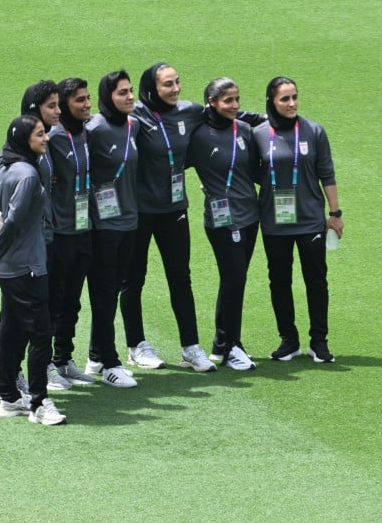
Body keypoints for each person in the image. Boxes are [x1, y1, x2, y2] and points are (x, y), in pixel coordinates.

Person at [123, 62, 215, 372]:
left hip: (174, 209)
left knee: (180, 277)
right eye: (167, 84)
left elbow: (226, 115)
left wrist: (267, 120)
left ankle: (190, 347)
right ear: (152, 88)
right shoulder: (135, 115)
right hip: (138, 212)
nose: (175, 89)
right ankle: (136, 345)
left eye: (177, 82)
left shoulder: (189, 111)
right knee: (133, 279)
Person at [0, 81, 69, 401]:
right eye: (51, 106)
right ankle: (6, 380)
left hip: (43, 241)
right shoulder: (21, 149)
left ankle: (12, 377)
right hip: (26, 247)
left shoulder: (44, 143)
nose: (58, 111)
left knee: (31, 314)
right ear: (35, 110)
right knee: (16, 318)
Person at [250, 76, 343, 363]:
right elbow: (250, 171)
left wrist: (335, 213)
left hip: (310, 220)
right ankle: (288, 341)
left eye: (294, 97)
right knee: (279, 280)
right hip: (274, 221)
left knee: (316, 280)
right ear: (272, 102)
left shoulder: (314, 131)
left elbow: (326, 173)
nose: (291, 104)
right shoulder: (258, 134)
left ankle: (319, 341)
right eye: (284, 99)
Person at [187, 78, 260, 371]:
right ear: (212, 102)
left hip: (250, 216)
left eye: (237, 99)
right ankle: (230, 346)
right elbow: (169, 163)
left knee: (237, 281)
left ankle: (224, 344)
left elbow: (254, 170)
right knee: (234, 278)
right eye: (227, 100)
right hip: (221, 220)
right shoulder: (199, 135)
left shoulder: (243, 130)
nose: (234, 105)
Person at [83, 70, 140, 388]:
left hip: (129, 222)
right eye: (122, 92)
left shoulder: (134, 125)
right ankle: (109, 362)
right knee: (104, 293)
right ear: (108, 97)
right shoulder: (95, 128)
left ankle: (95, 356)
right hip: (104, 226)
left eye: (131, 91)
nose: (129, 97)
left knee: (113, 289)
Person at [44, 77, 98, 385]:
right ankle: (46, 364)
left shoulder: (88, 134)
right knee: (54, 301)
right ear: (65, 105)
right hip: (60, 232)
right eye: (80, 100)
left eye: (88, 98)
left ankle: (63, 359)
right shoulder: (52, 137)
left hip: (84, 229)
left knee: (73, 302)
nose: (87, 104)